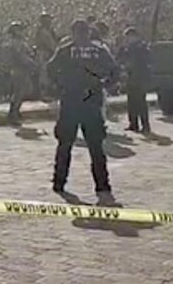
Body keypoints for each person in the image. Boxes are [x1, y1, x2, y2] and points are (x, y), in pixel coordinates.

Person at [48, 19, 118, 199]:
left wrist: (60, 85)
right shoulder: (99, 51)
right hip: (91, 102)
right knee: (96, 147)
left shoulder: (65, 50)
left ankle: (59, 182)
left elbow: (50, 69)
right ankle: (102, 186)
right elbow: (115, 72)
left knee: (65, 145)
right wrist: (102, 84)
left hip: (71, 101)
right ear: (89, 32)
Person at [117, 27, 152, 133]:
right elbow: (119, 59)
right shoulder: (126, 48)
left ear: (135, 36)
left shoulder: (142, 47)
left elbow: (145, 61)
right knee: (131, 102)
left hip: (140, 78)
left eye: (129, 37)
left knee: (140, 102)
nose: (128, 39)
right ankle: (133, 124)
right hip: (130, 77)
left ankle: (145, 125)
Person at [5, 22, 38, 125]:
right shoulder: (15, 43)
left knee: (24, 90)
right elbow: (20, 56)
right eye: (20, 29)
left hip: (22, 69)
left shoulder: (20, 42)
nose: (22, 31)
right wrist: (31, 63)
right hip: (19, 69)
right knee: (19, 92)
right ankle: (13, 113)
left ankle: (15, 111)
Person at [34, 13, 59, 97]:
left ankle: (48, 92)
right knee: (43, 74)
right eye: (49, 20)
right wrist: (55, 50)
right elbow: (49, 44)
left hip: (48, 54)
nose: (50, 22)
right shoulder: (42, 32)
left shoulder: (50, 31)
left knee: (48, 73)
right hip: (43, 54)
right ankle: (43, 93)